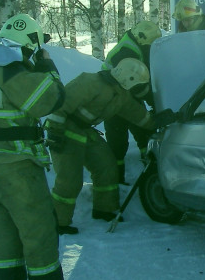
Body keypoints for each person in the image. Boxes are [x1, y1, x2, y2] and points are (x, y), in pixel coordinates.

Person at [0, 13, 82, 280]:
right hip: (16, 164)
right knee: (38, 225)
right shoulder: (14, 73)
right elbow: (51, 100)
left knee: (4, 227)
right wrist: (48, 68)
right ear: (30, 43)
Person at [47, 58, 156, 231]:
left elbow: (137, 114)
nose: (138, 89)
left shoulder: (121, 95)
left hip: (85, 131)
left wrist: (157, 122)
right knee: (70, 179)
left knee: (106, 166)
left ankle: (104, 209)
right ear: (129, 79)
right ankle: (58, 222)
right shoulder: (90, 81)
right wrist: (54, 131)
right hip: (65, 130)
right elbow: (61, 104)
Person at [101, 21, 161, 185]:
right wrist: (154, 101)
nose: (150, 48)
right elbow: (137, 87)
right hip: (113, 99)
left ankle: (150, 168)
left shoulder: (136, 44)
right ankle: (117, 182)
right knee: (118, 142)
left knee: (144, 131)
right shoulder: (126, 52)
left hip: (126, 96)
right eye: (149, 45)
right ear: (142, 39)